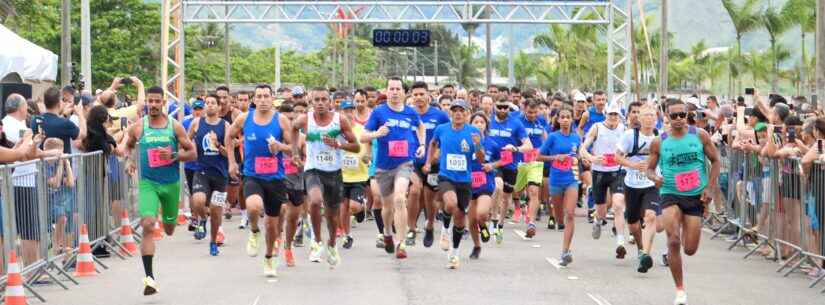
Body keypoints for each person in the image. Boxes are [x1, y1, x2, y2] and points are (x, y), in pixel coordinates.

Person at [121, 86, 197, 295]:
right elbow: (127, 146)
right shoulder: (138, 127)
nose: (153, 105)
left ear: (163, 102)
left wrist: (173, 156)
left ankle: (168, 218)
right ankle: (149, 278)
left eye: (157, 101)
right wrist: (129, 161)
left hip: (171, 184)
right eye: (150, 101)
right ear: (146, 103)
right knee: (147, 224)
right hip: (148, 184)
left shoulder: (175, 127)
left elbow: (192, 153)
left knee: (170, 229)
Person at [645, 98, 721, 305]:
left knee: (689, 248)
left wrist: (709, 187)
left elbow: (715, 161)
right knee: (673, 241)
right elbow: (649, 168)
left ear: (688, 115)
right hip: (670, 193)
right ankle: (680, 291)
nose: (679, 119)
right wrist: (655, 177)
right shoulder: (659, 141)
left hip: (695, 196)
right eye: (674, 115)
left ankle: (689, 231)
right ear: (666, 117)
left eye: (682, 115)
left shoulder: (700, 136)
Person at [226, 84, 293, 277]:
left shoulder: (280, 120)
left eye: (266, 96)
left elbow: (293, 148)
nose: (263, 100)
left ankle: (269, 257)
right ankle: (254, 230)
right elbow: (229, 137)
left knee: (272, 226)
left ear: (272, 98)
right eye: (259, 96)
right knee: (253, 206)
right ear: (254, 100)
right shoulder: (244, 118)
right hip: (252, 175)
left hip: (275, 178)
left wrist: (279, 146)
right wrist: (231, 162)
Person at [290, 87, 359, 268]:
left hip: (334, 172)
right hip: (313, 169)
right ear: (311, 102)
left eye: (323, 100)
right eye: (316, 100)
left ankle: (332, 243)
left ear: (330, 102)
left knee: (332, 216)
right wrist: (295, 152)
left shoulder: (340, 120)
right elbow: (293, 128)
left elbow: (356, 146)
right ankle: (317, 241)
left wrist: (338, 144)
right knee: (314, 201)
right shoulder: (305, 119)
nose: (320, 103)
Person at [361, 77, 426, 259]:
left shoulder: (410, 112)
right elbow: (363, 137)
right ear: (387, 91)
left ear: (404, 93)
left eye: (398, 89)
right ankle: (388, 232)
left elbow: (421, 127)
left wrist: (422, 144)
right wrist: (377, 133)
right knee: (387, 206)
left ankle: (401, 243)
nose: (395, 92)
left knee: (399, 199)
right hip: (383, 166)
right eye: (392, 89)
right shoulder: (379, 113)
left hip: (404, 163)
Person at [423, 99, 483, 269]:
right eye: (455, 110)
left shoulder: (474, 132)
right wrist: (428, 162)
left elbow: (480, 159)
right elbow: (433, 143)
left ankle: (454, 253)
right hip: (446, 176)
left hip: (464, 180)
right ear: (450, 113)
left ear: (467, 114)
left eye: (461, 111)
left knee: (460, 220)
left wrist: (478, 144)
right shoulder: (442, 129)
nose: (458, 113)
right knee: (450, 204)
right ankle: (444, 228)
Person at [616, 104, 663, 273]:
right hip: (632, 184)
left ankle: (645, 255)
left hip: (652, 184)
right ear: (639, 118)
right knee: (634, 225)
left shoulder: (662, 137)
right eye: (646, 115)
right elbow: (617, 157)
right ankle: (640, 246)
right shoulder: (629, 136)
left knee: (650, 217)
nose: (649, 118)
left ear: (656, 118)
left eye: (652, 115)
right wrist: (633, 165)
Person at [580, 102, 628, 259]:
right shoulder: (597, 127)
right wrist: (593, 158)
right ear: (605, 115)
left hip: (617, 172)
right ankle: (597, 221)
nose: (613, 117)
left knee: (618, 205)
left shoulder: (623, 129)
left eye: (616, 115)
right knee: (601, 210)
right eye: (611, 114)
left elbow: (628, 148)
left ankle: (620, 242)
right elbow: (582, 149)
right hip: (600, 173)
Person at [407, 81, 449, 248]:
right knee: (415, 190)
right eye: (415, 95)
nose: (418, 98)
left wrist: (431, 160)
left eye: (421, 94)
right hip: (412, 162)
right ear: (411, 96)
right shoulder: (407, 114)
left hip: (433, 164)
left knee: (430, 198)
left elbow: (444, 140)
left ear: (428, 96)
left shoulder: (440, 115)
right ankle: (411, 228)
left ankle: (430, 224)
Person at [537, 105, 581, 267]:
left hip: (571, 179)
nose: (565, 120)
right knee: (559, 218)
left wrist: (579, 159)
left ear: (571, 120)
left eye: (568, 117)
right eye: (562, 117)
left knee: (570, 214)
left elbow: (578, 155)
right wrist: (556, 157)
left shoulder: (576, 138)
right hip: (555, 180)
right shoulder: (552, 137)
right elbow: (539, 156)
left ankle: (565, 251)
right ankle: (559, 221)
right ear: (558, 120)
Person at [187, 95, 231, 256]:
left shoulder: (225, 126)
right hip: (202, 170)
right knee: (198, 201)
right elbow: (185, 141)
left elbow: (228, 153)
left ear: (219, 107)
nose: (210, 106)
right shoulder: (197, 123)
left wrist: (217, 144)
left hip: (220, 174)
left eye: (213, 103)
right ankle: (202, 219)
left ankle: (213, 242)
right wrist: (186, 149)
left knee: (216, 211)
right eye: (207, 103)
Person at [488, 98, 532, 244]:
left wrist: (515, 148)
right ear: (495, 106)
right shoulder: (488, 121)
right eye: (499, 107)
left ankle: (500, 224)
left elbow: (528, 146)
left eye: (505, 107)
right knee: (497, 186)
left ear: (509, 109)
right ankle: (493, 220)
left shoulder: (516, 124)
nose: (502, 110)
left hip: (511, 164)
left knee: (506, 198)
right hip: (494, 163)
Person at [467, 112, 499, 259]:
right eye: (476, 122)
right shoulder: (464, 141)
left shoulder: (492, 143)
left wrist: (492, 165)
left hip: (485, 184)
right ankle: (476, 246)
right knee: (472, 219)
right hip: (468, 183)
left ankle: (484, 225)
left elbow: (504, 160)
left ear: (486, 125)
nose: (479, 124)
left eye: (482, 122)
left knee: (481, 214)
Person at [339, 100, 370, 250]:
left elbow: (368, 145)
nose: (349, 114)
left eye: (351, 111)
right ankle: (347, 235)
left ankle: (361, 207)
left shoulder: (362, 129)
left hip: (358, 175)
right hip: (340, 175)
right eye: (346, 111)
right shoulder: (336, 131)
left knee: (353, 207)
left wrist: (367, 157)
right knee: (343, 208)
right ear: (341, 113)